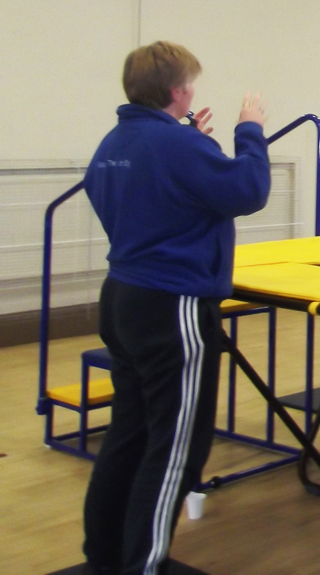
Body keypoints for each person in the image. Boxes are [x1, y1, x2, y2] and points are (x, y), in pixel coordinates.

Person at [81, 41, 271, 575]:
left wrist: (193, 151)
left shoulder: (116, 141)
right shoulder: (177, 145)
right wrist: (248, 131)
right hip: (172, 305)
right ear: (176, 91)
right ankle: (141, 564)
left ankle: (105, 556)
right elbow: (249, 189)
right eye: (190, 84)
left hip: (122, 296)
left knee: (130, 431)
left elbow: (123, 197)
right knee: (176, 447)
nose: (193, 91)